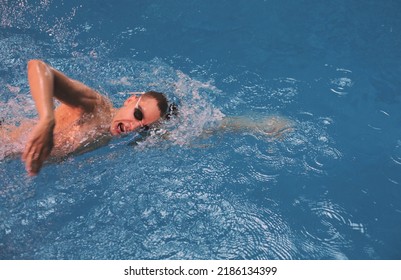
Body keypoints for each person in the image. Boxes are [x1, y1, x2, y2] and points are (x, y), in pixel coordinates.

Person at [1, 60, 292, 176]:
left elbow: (201, 130)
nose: (133, 126)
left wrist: (256, 125)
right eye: (137, 114)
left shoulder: (119, 134)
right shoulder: (95, 108)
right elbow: (39, 68)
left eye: (143, 126)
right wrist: (46, 119)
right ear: (130, 100)